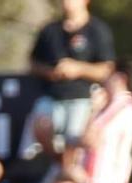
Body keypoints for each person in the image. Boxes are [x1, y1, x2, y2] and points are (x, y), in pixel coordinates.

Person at [27, 0, 117, 152]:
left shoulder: (97, 30)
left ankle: (69, 170)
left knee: (75, 144)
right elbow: (33, 63)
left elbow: (107, 69)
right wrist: (51, 72)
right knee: (38, 132)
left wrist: (78, 69)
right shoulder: (50, 30)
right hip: (52, 98)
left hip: (83, 100)